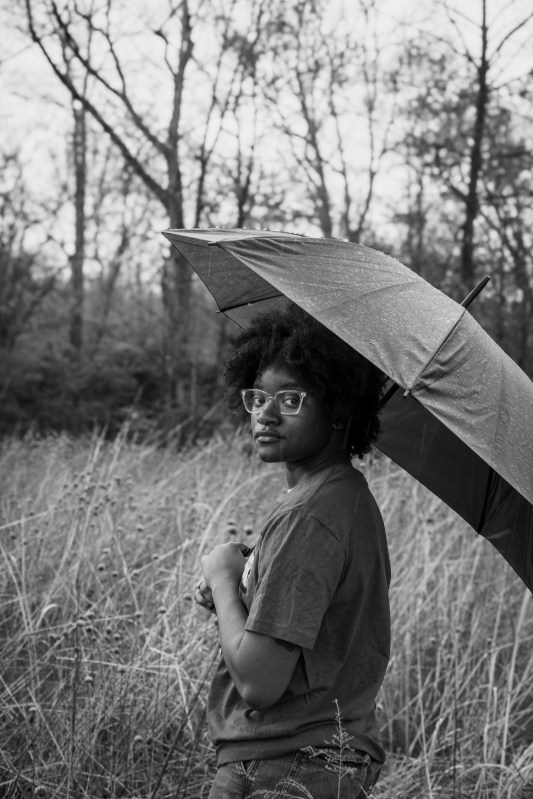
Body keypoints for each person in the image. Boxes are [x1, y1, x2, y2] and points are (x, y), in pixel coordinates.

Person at [194, 304, 391, 799]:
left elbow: (259, 683)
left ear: (340, 410)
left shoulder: (311, 515)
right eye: (258, 396)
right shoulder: (343, 498)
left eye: (291, 399)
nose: (265, 413)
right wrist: (243, 590)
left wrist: (223, 576)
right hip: (315, 762)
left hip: (285, 767)